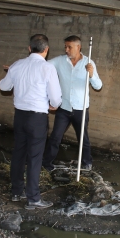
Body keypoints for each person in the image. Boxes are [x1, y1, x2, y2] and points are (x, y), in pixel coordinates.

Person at [0, 34, 62, 210]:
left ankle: (16, 191)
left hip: (20, 115)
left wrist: (12, 75)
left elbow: (4, 87)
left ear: (29, 48)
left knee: (18, 153)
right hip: (37, 118)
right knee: (35, 157)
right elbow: (56, 98)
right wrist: (54, 105)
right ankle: (33, 198)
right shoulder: (47, 68)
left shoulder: (17, 65)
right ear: (46, 50)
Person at [42, 35, 102, 172]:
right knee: (55, 137)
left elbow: (98, 86)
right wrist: (24, 66)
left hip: (81, 109)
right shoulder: (60, 61)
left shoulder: (89, 63)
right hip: (64, 108)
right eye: (65, 47)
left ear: (78, 47)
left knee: (83, 139)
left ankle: (87, 163)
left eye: (69, 47)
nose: (67, 50)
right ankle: (46, 164)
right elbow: (43, 65)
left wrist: (92, 74)